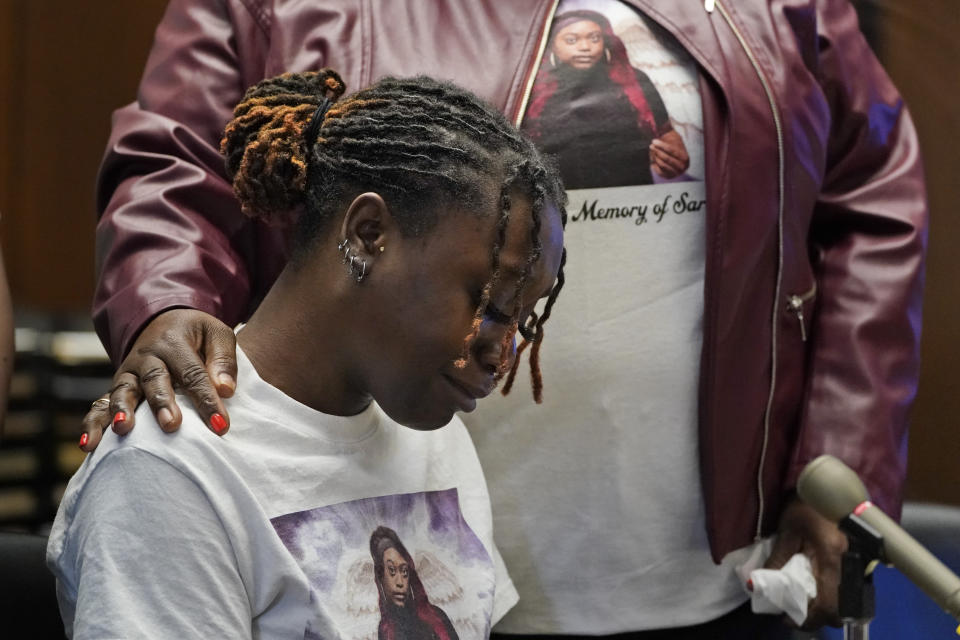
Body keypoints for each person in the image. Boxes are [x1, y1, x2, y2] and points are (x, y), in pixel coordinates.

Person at [80, 0, 927, 637]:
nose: (503, 346)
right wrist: (168, 304)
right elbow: (175, 159)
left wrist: (840, 461)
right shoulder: (162, 480)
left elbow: (872, 192)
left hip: (706, 574)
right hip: (372, 521)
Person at [48, 69, 567, 639]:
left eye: (524, 316)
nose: (506, 350)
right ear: (369, 233)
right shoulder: (172, 468)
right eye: (489, 302)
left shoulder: (434, 433)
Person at [523, 9, 690, 188]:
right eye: (572, 40)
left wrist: (674, 158)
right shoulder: (531, 87)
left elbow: (666, 133)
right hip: (560, 200)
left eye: (595, 38)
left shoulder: (634, 80)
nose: (585, 47)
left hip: (629, 197)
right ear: (552, 45)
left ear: (606, 41)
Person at [371, 526, 460, 640]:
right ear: (380, 578)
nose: (400, 582)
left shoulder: (436, 617)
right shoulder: (385, 630)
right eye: (392, 571)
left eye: (404, 572)